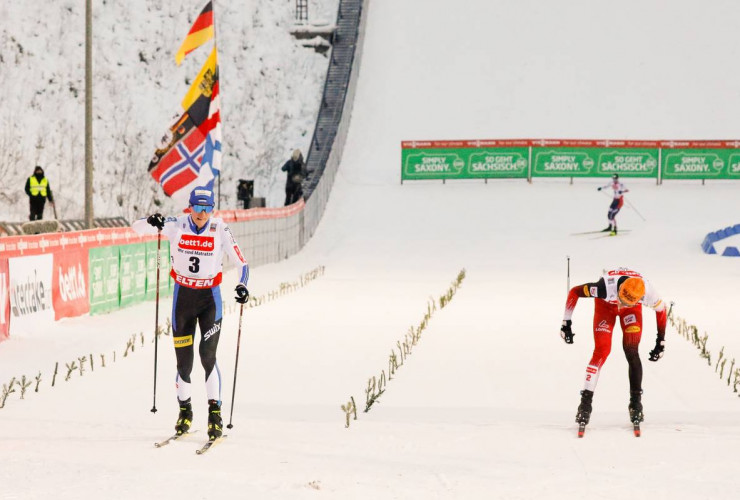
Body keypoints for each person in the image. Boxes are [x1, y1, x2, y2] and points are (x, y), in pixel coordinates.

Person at [132, 186, 250, 441]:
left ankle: (215, 414)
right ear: (190, 207)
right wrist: (151, 221)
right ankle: (185, 411)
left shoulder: (220, 229)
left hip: (210, 300)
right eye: (198, 208)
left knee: (208, 356)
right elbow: (136, 227)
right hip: (183, 299)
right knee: (184, 363)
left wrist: (242, 286)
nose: (202, 214)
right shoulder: (176, 224)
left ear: (213, 210)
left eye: (207, 209)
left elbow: (242, 263)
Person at [559, 267, 667, 428]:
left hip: (632, 310)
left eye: (625, 303)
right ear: (618, 291)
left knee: (631, 351)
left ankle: (636, 404)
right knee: (602, 350)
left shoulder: (648, 291)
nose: (621, 306)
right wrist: (566, 322)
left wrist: (661, 341)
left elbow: (662, 310)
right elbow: (575, 291)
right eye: (621, 300)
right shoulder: (603, 287)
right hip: (605, 307)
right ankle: (585, 404)